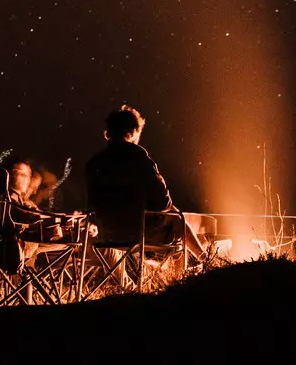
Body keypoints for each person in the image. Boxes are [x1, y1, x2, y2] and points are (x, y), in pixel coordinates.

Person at [82, 105, 207, 260]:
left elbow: (92, 204)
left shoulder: (94, 163)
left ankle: (193, 263)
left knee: (171, 219)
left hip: (108, 235)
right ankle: (204, 261)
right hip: (139, 234)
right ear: (134, 131)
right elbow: (164, 202)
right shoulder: (138, 157)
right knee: (177, 219)